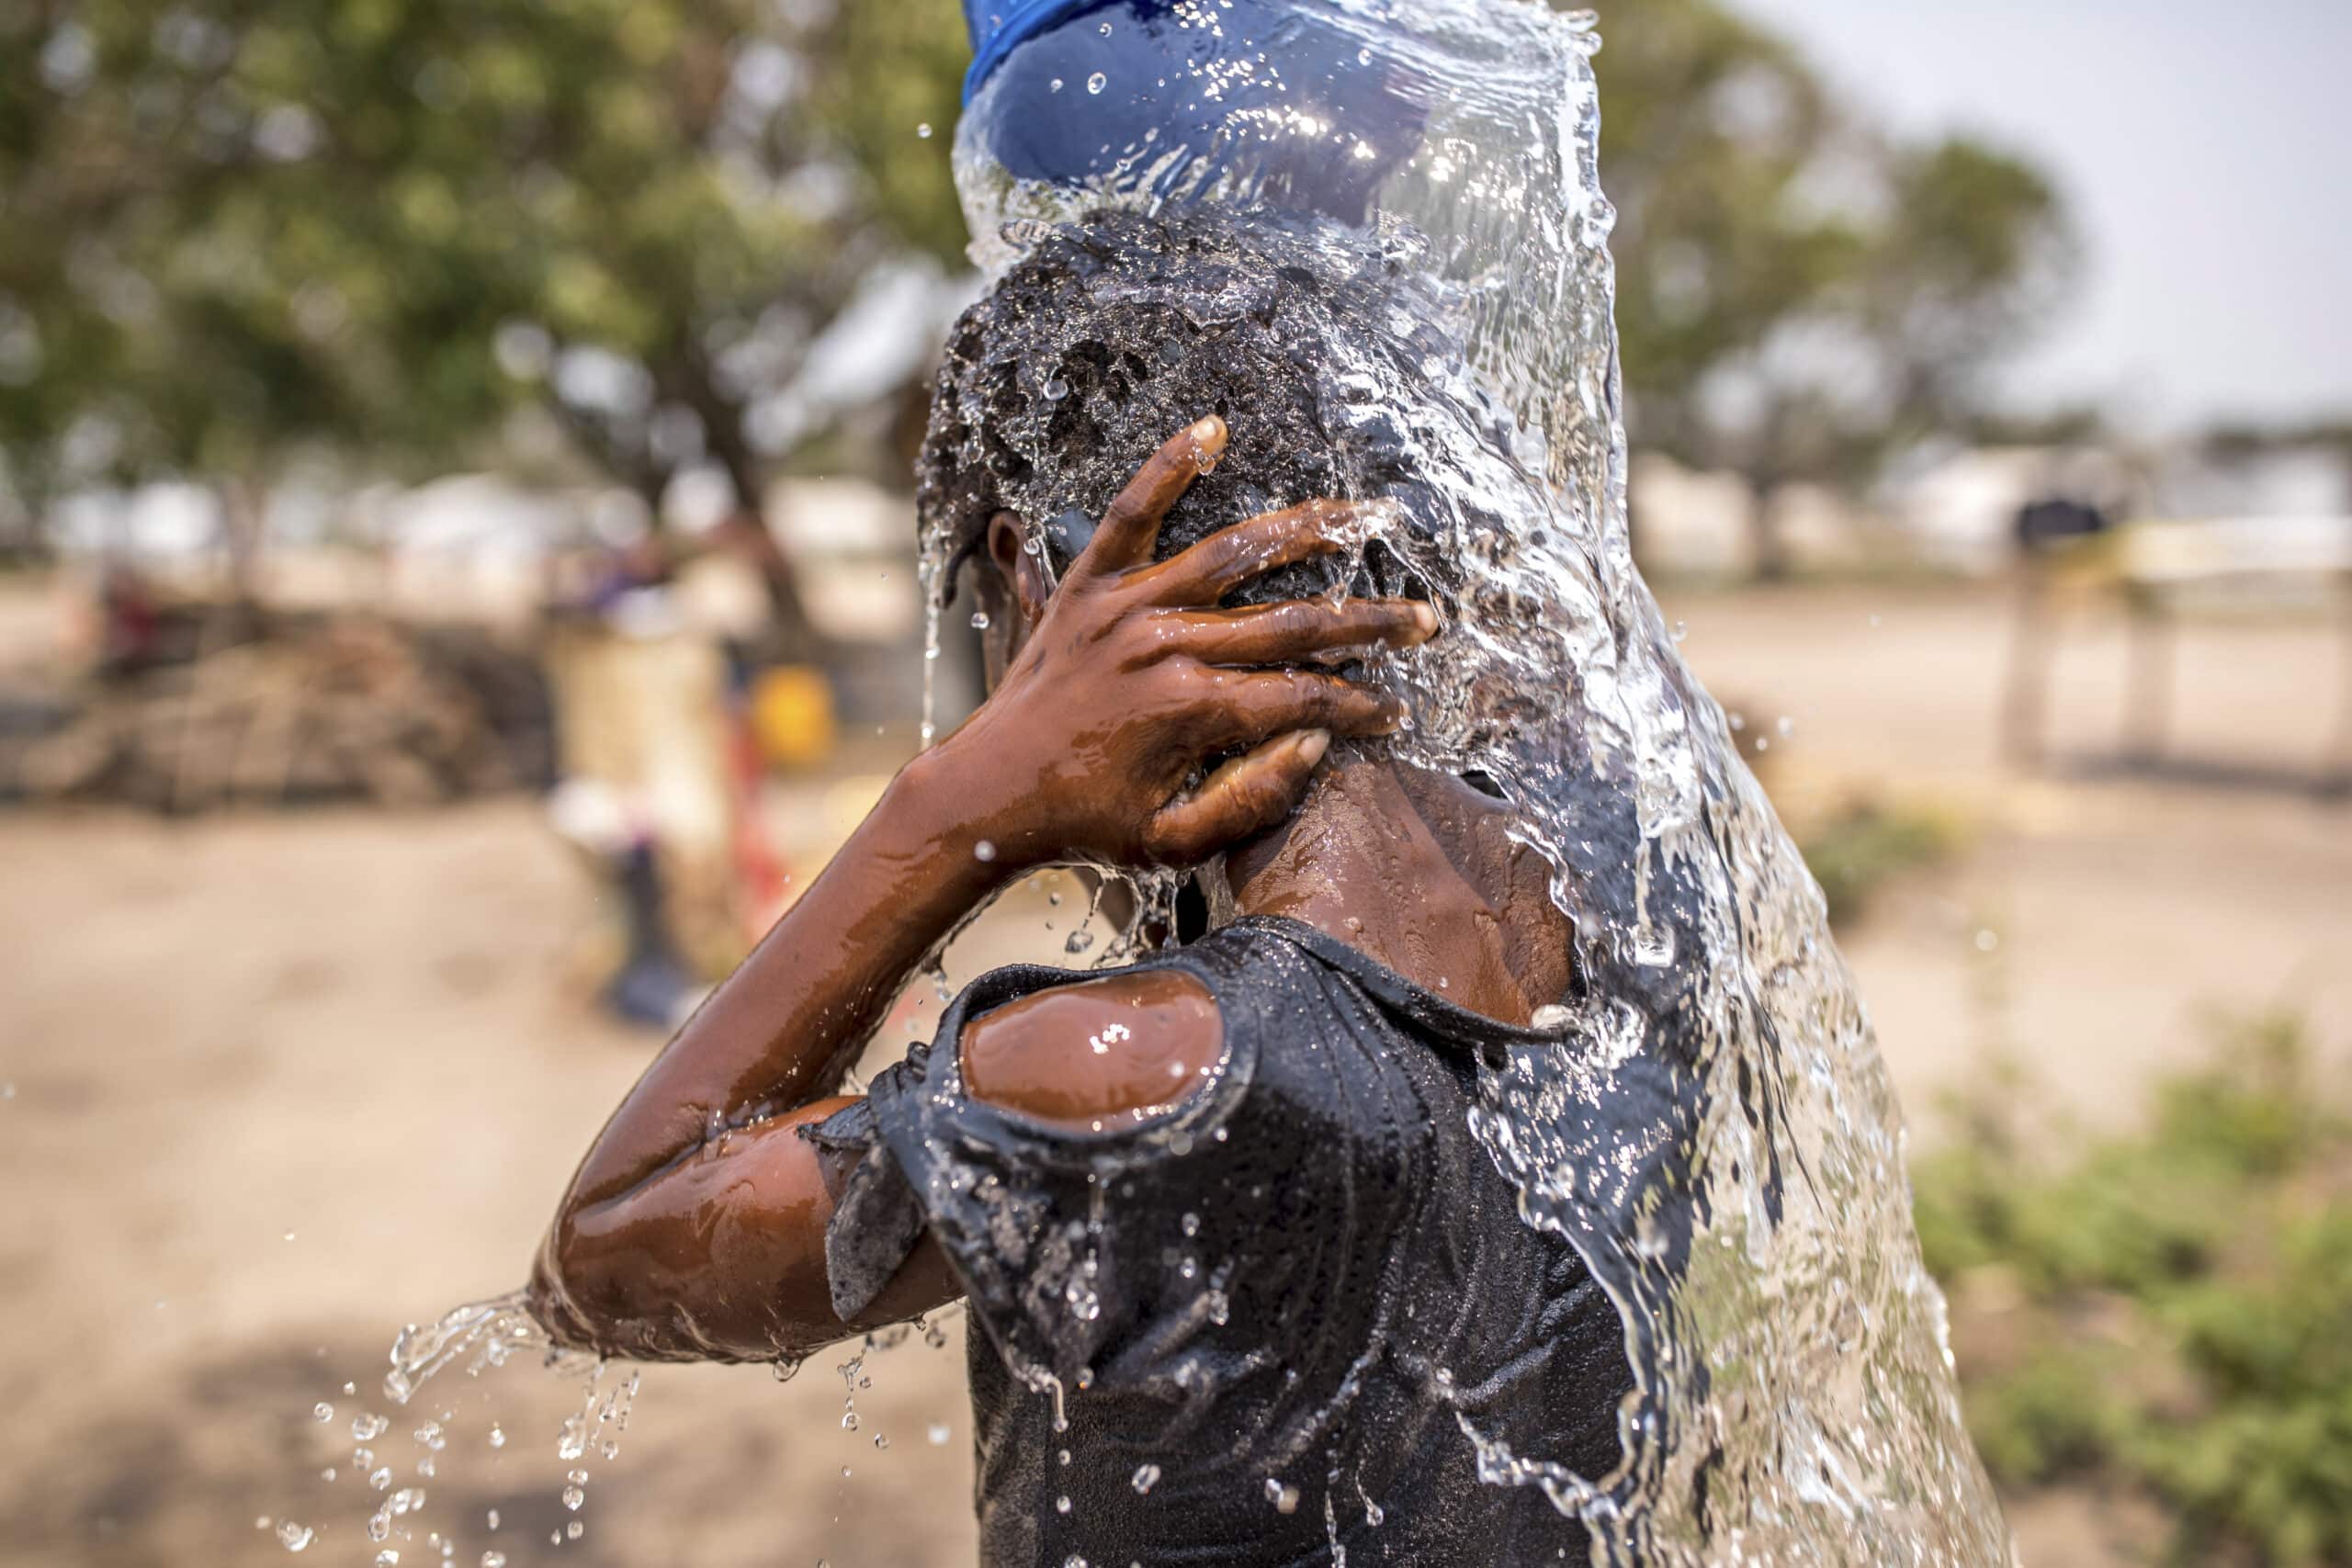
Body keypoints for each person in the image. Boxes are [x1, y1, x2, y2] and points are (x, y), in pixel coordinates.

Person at [529, 209, 1635, 1564]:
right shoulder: (1598, 930)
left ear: (1029, 581)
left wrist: (967, 804)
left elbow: (606, 1256)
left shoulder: (1144, 1066)